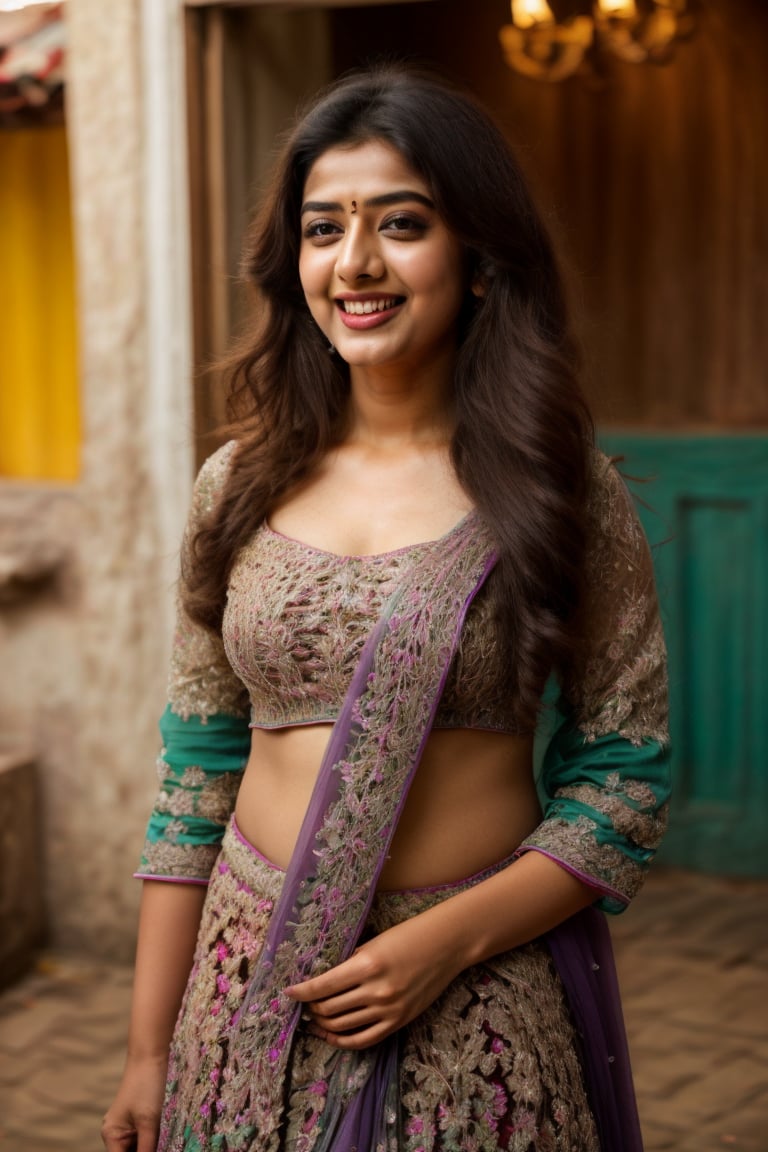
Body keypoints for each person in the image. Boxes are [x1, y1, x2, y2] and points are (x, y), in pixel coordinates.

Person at [102, 64, 670, 1152]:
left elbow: (622, 779)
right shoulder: (237, 487)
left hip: (472, 1000)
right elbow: (196, 775)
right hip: (243, 994)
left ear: (481, 259)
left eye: (401, 224)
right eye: (324, 229)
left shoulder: (560, 490)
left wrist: (445, 945)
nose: (355, 263)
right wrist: (146, 1052)